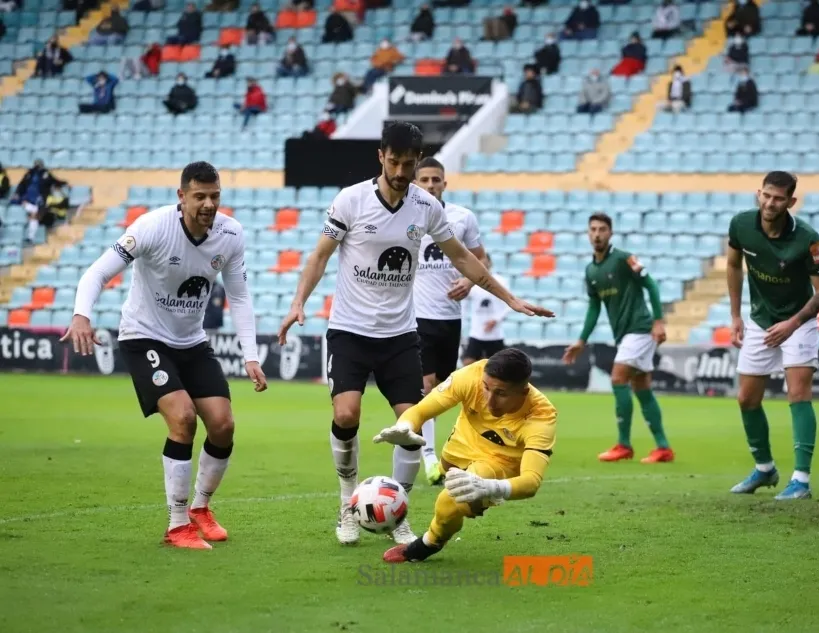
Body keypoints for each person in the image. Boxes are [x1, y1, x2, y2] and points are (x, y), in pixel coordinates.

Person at [275, 121, 553, 547]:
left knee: (412, 426)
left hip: (401, 334)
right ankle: (348, 503)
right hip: (349, 330)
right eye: (395, 162)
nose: (402, 171)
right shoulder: (350, 200)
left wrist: (508, 298)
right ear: (381, 156)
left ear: (418, 161)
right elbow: (320, 255)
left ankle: (397, 508)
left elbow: (463, 258)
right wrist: (299, 302)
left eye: (409, 163)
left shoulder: (425, 207)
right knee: (346, 415)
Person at [62, 162, 268, 549]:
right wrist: (81, 315)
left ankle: (200, 508)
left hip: (191, 342)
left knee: (223, 425)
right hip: (144, 338)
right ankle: (176, 525)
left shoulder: (230, 234)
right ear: (181, 196)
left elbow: (239, 296)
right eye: (200, 196)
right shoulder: (151, 228)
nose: (208, 204)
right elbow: (96, 274)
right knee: (184, 418)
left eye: (215, 196)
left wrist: (251, 355)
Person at [373, 348, 557, 563]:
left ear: (523, 393)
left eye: (501, 394)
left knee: (451, 499)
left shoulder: (540, 416)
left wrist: (489, 488)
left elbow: (531, 482)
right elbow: (421, 411)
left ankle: (428, 543)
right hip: (460, 445)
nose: (489, 401)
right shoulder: (472, 375)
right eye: (486, 388)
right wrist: (405, 426)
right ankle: (472, 501)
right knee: (449, 474)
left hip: (498, 461)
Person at [725, 171, 819, 501]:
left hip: (799, 320)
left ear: (791, 202)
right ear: (758, 193)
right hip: (760, 321)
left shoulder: (808, 239)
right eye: (766, 196)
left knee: (797, 394)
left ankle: (801, 480)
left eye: (779, 198)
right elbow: (732, 265)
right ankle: (765, 469)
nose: (770, 203)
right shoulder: (741, 225)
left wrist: (793, 323)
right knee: (746, 399)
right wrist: (735, 315)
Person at [562, 213, 674, 464]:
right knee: (642, 387)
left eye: (602, 229)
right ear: (588, 233)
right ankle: (663, 447)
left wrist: (658, 321)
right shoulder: (591, 270)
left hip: (640, 328)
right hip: (624, 333)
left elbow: (651, 285)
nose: (597, 234)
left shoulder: (624, 259)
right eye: (593, 229)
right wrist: (582, 339)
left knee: (618, 378)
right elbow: (594, 307)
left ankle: (624, 444)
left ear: (610, 233)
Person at [411, 157, 486, 486]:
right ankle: (428, 455)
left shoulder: (462, 217)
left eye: (435, 180)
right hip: (416, 316)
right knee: (426, 385)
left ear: (444, 183)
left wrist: (469, 282)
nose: (430, 185)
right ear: (416, 183)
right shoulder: (407, 214)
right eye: (424, 179)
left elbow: (479, 257)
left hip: (450, 318)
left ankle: (451, 449)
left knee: (445, 388)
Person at [461, 253, 508, 366]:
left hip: (495, 334)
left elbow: (508, 304)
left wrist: (496, 320)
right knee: (468, 363)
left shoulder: (500, 281)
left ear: (490, 263)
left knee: (498, 366)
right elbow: (463, 304)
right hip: (477, 333)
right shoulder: (470, 282)